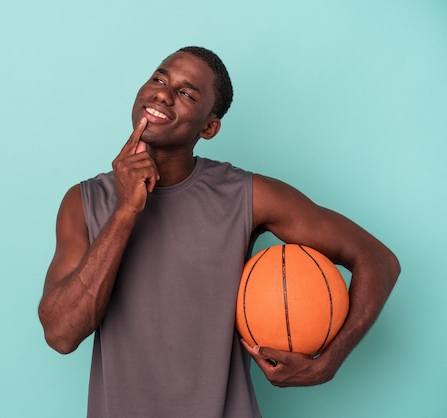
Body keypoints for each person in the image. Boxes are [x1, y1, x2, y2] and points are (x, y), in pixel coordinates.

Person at [38, 46, 400, 417]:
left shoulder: (247, 195)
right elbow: (61, 334)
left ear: (209, 127)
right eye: (159, 79)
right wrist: (125, 211)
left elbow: (378, 260)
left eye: (186, 93)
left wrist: (327, 364)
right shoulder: (83, 202)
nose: (163, 93)